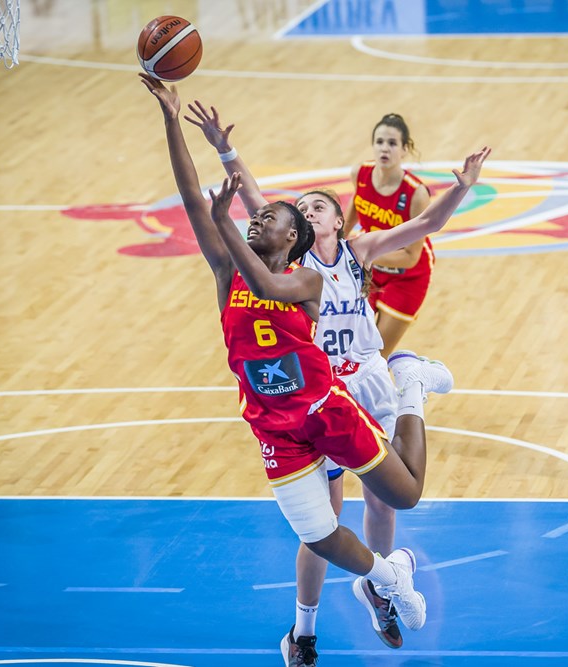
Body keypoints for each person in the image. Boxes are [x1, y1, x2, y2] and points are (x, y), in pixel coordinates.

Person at [182, 100, 489, 655]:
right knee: (324, 522)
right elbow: (250, 199)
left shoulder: (356, 252)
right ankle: (306, 628)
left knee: (386, 501)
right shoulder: (289, 264)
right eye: (303, 207)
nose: (309, 209)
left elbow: (428, 225)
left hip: (364, 380)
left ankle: (379, 590)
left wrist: (462, 186)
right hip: (320, 391)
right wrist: (222, 148)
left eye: (319, 205)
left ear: (335, 220)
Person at [343, 113, 433, 359]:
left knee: (376, 358)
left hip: (407, 276)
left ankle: (412, 381)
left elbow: (410, 257)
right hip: (370, 268)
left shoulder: (416, 194)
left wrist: (363, 253)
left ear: (404, 150)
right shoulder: (360, 173)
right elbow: (350, 216)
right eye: (380, 142)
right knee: (351, 350)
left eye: (392, 143)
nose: (385, 148)